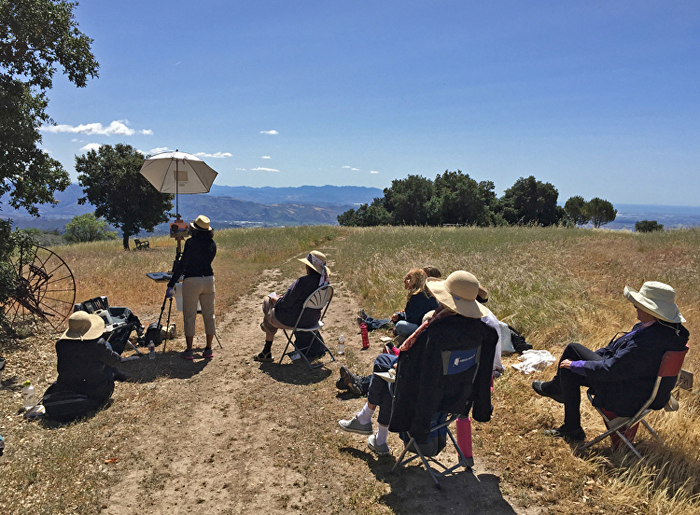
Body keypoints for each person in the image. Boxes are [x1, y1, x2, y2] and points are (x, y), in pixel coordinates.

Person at [338, 271, 498, 455]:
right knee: (387, 370)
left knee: (384, 367)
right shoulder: (485, 333)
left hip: (426, 401)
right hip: (458, 399)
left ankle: (372, 428)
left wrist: (400, 366)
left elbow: (413, 373)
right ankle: (370, 426)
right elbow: (483, 375)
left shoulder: (436, 334)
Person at [532, 281, 689, 442]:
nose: (635, 306)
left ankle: (558, 396)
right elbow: (618, 355)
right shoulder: (670, 332)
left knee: (571, 353)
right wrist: (587, 361)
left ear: (651, 311)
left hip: (629, 395)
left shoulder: (648, 341)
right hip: (645, 389)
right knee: (572, 364)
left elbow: (612, 370)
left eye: (639, 304)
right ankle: (562, 404)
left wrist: (576, 364)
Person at [253, 250, 330, 362]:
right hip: (312, 320)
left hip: (294, 320)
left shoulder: (302, 282)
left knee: (267, 302)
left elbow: (284, 303)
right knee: (270, 313)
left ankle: (266, 348)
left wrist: (276, 299)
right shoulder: (324, 283)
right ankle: (266, 347)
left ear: (308, 267)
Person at [166, 215, 217, 360]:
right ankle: (208, 348)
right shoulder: (212, 244)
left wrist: (171, 283)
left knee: (189, 316)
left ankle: (189, 350)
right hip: (208, 280)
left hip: (192, 281)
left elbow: (183, 265)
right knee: (209, 315)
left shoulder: (191, 243)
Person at [53, 311, 124, 406]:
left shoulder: (60, 344)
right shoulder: (98, 345)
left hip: (69, 389)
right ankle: (118, 374)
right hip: (96, 391)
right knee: (107, 354)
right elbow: (116, 360)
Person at [390, 268, 440, 338]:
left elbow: (412, 319)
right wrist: (400, 315)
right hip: (427, 325)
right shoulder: (424, 293)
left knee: (400, 325)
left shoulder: (418, 295)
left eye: (407, 279)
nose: (404, 281)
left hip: (424, 327)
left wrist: (400, 318)